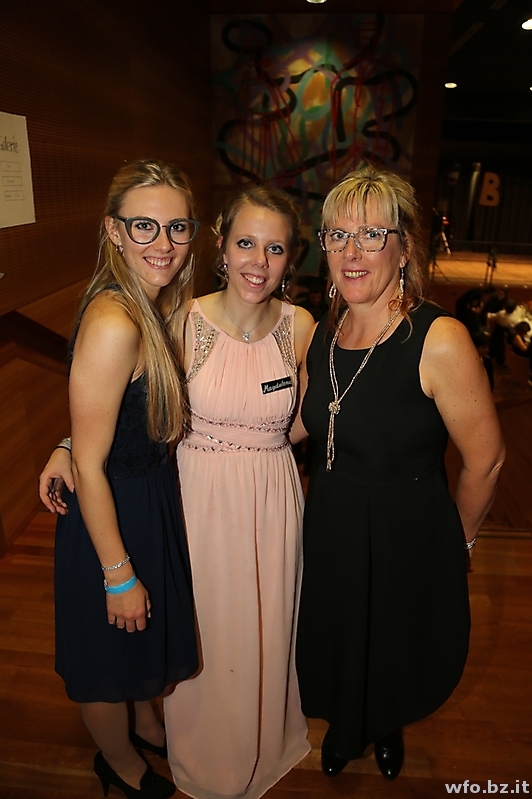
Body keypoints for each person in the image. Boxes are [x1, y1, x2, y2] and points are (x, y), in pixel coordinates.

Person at [40, 185, 315, 799]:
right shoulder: (179, 319)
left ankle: (228, 732)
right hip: (193, 493)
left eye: (275, 248)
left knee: (261, 628)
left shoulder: (301, 327)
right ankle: (179, 740)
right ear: (221, 245)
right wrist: (68, 444)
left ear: (291, 258)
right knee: (196, 626)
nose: (258, 260)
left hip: (267, 495)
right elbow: (122, 401)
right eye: (245, 242)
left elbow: (313, 414)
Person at [290, 166, 505, 781]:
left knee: (390, 643)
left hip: (405, 532)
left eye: (371, 235)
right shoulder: (324, 332)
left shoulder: (439, 339)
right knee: (339, 632)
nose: (351, 252)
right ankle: (344, 726)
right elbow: (299, 424)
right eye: (337, 235)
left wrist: (459, 541)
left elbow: (487, 459)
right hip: (332, 523)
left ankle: (384, 726)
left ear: (404, 248)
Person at [41, 159, 200, 799]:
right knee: (107, 657)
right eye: (144, 226)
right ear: (113, 230)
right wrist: (119, 574)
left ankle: (144, 723)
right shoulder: (116, 321)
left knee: (137, 644)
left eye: (177, 227)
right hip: (111, 512)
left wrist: (64, 441)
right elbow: (91, 463)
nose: (164, 243)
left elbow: (106, 413)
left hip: (141, 496)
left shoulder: (148, 301)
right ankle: (118, 762)